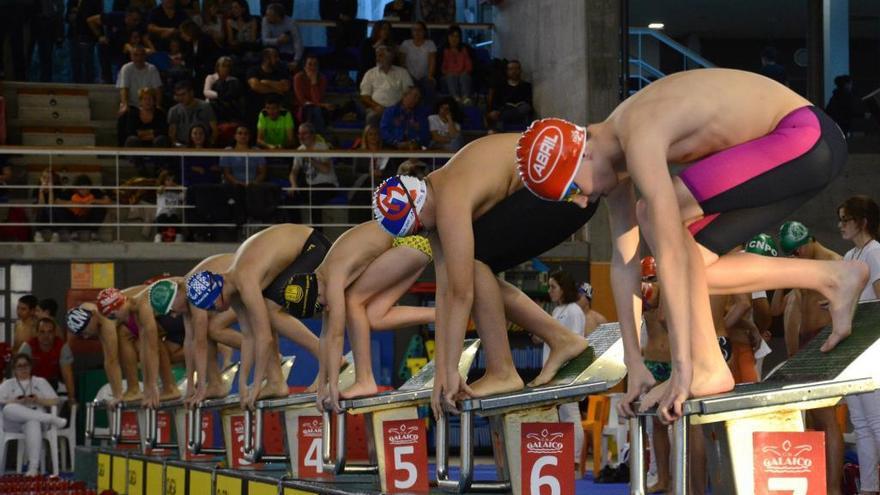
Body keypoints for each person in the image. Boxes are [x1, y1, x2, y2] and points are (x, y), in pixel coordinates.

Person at [514, 69, 868, 426]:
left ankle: (705, 366)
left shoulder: (638, 132)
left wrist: (681, 370)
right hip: (803, 150)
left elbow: (666, 250)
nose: (580, 202)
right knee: (695, 266)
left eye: (573, 190)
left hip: (803, 136)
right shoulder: (616, 158)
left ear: (585, 156)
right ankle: (833, 276)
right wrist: (633, 365)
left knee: (656, 216)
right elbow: (624, 265)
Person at [373, 137, 599, 416]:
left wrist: (453, 369)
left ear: (419, 208)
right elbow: (445, 292)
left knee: (473, 260)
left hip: (571, 185)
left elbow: (461, 294)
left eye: (419, 228)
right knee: (472, 264)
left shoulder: (450, 201)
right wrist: (443, 374)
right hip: (563, 180)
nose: (423, 234)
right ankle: (561, 339)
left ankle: (503, 370)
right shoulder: (435, 200)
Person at [185, 224, 331, 408]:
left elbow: (265, 338)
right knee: (267, 311)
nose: (215, 312)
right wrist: (242, 383)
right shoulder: (234, 288)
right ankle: (276, 382)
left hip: (313, 245)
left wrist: (255, 385)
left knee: (270, 311)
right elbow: (249, 337)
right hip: (300, 247)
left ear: (216, 297)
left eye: (211, 308)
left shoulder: (245, 280)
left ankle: (329, 359)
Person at [310, 221, 434, 409]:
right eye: (320, 306)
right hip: (415, 247)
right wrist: (321, 388)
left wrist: (333, 386)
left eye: (320, 299)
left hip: (410, 243)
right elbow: (325, 336)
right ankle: (442, 315)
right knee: (374, 317)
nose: (325, 305)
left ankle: (365, 380)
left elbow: (336, 336)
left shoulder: (333, 276)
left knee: (353, 300)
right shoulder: (323, 283)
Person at [148, 256, 244, 406]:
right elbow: (189, 343)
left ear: (177, 296)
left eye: (171, 309)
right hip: (234, 282)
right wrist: (190, 387)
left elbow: (200, 345)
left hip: (246, 277)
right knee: (207, 331)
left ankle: (272, 357)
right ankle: (215, 384)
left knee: (213, 329)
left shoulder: (194, 293)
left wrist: (199, 389)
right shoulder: (185, 294)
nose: (174, 315)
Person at [837, 195, 880, 495]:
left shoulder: (875, 253)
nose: (840, 225)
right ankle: (868, 487)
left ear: (862, 222)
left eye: (845, 219)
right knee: (861, 425)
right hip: (851, 351)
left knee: (877, 423)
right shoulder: (849, 255)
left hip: (871, 350)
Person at [95, 286, 182, 408]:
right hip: (174, 320)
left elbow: (152, 348)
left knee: (146, 341)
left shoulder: (142, 305)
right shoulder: (133, 306)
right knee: (156, 348)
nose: (116, 320)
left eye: (113, 316)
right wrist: (148, 387)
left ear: (118, 307)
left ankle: (169, 387)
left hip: (177, 317)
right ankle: (167, 387)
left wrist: (152, 387)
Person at [534, 270, 585, 469]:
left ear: (564, 289)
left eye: (553, 287)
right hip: (552, 371)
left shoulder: (574, 311)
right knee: (560, 416)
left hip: (566, 371)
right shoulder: (557, 310)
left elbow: (575, 341)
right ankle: (565, 455)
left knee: (570, 413)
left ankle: (575, 459)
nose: (550, 291)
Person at [0, 354, 67, 476]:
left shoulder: (40, 381)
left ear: (30, 367)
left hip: (37, 418)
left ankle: (33, 469)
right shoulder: (8, 384)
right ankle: (52, 419)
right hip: (14, 421)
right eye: (19, 366)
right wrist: (16, 401)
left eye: (25, 365)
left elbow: (55, 401)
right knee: (8, 408)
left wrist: (38, 400)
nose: (23, 369)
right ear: (14, 369)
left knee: (33, 422)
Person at [66, 303, 141, 404]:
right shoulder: (93, 311)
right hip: (139, 318)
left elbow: (111, 362)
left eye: (85, 332)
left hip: (150, 315)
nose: (86, 337)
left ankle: (136, 390)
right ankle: (134, 389)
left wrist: (117, 395)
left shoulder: (106, 324)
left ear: (92, 317)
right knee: (123, 336)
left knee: (123, 340)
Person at [289, 122, 337, 226]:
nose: (301, 136)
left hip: (327, 185)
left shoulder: (322, 147)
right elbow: (294, 172)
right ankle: (296, 230)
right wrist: (293, 185)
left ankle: (316, 234)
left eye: (304, 133)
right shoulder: (300, 150)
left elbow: (326, 169)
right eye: (299, 134)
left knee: (314, 197)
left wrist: (310, 159)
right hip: (310, 186)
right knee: (290, 197)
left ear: (312, 135)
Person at [19, 318, 76, 400]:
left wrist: (72, 399)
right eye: (42, 332)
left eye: (50, 332)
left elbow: (67, 375)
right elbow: (20, 373)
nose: (46, 336)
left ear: (54, 333)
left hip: (52, 384)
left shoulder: (62, 347)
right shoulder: (27, 347)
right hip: (30, 384)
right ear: (37, 333)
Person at [89, 6, 146, 84]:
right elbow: (91, 20)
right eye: (134, 20)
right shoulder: (115, 17)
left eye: (138, 20)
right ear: (128, 16)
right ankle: (106, 79)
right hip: (111, 47)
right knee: (102, 46)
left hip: (126, 50)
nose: (137, 23)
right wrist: (100, 36)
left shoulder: (139, 26)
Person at [360, 44, 413, 127]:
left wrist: (394, 109)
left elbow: (409, 94)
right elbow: (364, 96)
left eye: (381, 56)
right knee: (372, 116)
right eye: (377, 56)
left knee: (404, 116)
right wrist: (377, 106)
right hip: (376, 109)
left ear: (390, 57)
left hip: (398, 109)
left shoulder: (402, 72)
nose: (378, 59)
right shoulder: (370, 73)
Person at [246, 47, 291, 129]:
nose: (278, 59)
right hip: (258, 105)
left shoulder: (281, 71)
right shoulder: (253, 70)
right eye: (275, 56)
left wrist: (266, 82)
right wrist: (276, 89)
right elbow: (256, 86)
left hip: (278, 105)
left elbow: (285, 87)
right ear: (266, 58)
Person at [167, 80, 218, 146]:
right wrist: (178, 146)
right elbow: (172, 135)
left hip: (203, 145)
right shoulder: (174, 110)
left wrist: (210, 144)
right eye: (178, 95)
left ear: (191, 93)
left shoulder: (205, 107)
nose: (181, 98)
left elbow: (215, 130)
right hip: (182, 146)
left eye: (183, 94)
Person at [117, 44, 163, 115]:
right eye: (135, 55)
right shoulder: (126, 68)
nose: (139, 58)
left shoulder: (152, 69)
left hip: (148, 105)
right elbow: (124, 88)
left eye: (141, 55)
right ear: (131, 56)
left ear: (145, 56)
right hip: (132, 105)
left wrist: (158, 105)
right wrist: (125, 104)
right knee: (124, 113)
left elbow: (157, 89)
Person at [487, 60, 532, 131]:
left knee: (525, 108)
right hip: (505, 110)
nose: (514, 71)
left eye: (516, 68)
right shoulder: (500, 86)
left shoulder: (526, 86)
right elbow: (495, 102)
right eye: (511, 69)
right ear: (507, 71)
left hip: (520, 110)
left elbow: (528, 101)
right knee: (501, 113)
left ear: (520, 70)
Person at [399, 21, 437, 107]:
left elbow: (432, 61)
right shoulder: (406, 44)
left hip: (425, 76)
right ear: (412, 32)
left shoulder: (430, 44)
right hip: (409, 75)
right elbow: (402, 63)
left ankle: (428, 110)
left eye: (420, 30)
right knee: (407, 86)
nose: (417, 32)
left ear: (424, 31)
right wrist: (407, 76)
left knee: (429, 84)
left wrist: (430, 75)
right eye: (414, 30)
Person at [293, 55, 333, 135]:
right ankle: (319, 136)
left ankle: (316, 137)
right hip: (301, 108)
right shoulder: (298, 77)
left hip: (317, 108)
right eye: (310, 64)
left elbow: (317, 99)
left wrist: (313, 82)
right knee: (314, 110)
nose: (312, 67)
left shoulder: (322, 78)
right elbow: (302, 100)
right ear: (304, 67)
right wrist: (322, 105)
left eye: (315, 64)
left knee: (315, 110)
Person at [203, 56, 245, 125]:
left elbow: (233, 95)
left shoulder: (234, 81)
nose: (226, 68)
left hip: (228, 104)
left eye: (228, 66)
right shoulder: (211, 77)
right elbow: (206, 92)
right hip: (214, 103)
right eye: (223, 66)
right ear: (218, 67)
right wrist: (219, 95)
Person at [261, 3, 302, 67]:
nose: (266, 17)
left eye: (269, 15)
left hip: (288, 52)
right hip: (272, 52)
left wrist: (296, 60)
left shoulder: (291, 23)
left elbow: (298, 42)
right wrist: (278, 40)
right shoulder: (265, 20)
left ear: (277, 17)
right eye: (266, 14)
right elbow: (264, 41)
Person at [440, 25, 472, 105]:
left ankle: (465, 98)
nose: (454, 39)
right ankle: (455, 98)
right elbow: (442, 69)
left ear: (460, 38)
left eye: (457, 36)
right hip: (448, 77)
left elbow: (469, 67)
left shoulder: (464, 49)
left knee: (464, 76)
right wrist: (450, 73)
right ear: (448, 37)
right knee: (451, 76)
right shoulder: (443, 50)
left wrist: (461, 73)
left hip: (462, 75)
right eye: (452, 36)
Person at [154, 169, 184, 242]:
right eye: (168, 180)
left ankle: (178, 237)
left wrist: (176, 186)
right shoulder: (161, 191)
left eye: (172, 180)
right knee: (160, 219)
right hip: (162, 213)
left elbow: (183, 194)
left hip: (173, 214)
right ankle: (158, 236)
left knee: (176, 220)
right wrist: (165, 186)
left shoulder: (177, 192)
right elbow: (159, 190)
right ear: (163, 180)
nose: (170, 182)